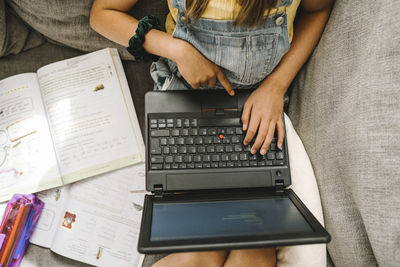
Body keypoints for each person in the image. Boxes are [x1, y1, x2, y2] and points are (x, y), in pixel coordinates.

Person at [90, 0, 332, 266]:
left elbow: (317, 9)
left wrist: (275, 85)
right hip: (184, 101)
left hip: (255, 109)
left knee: (255, 254)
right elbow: (102, 15)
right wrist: (177, 50)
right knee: (201, 252)